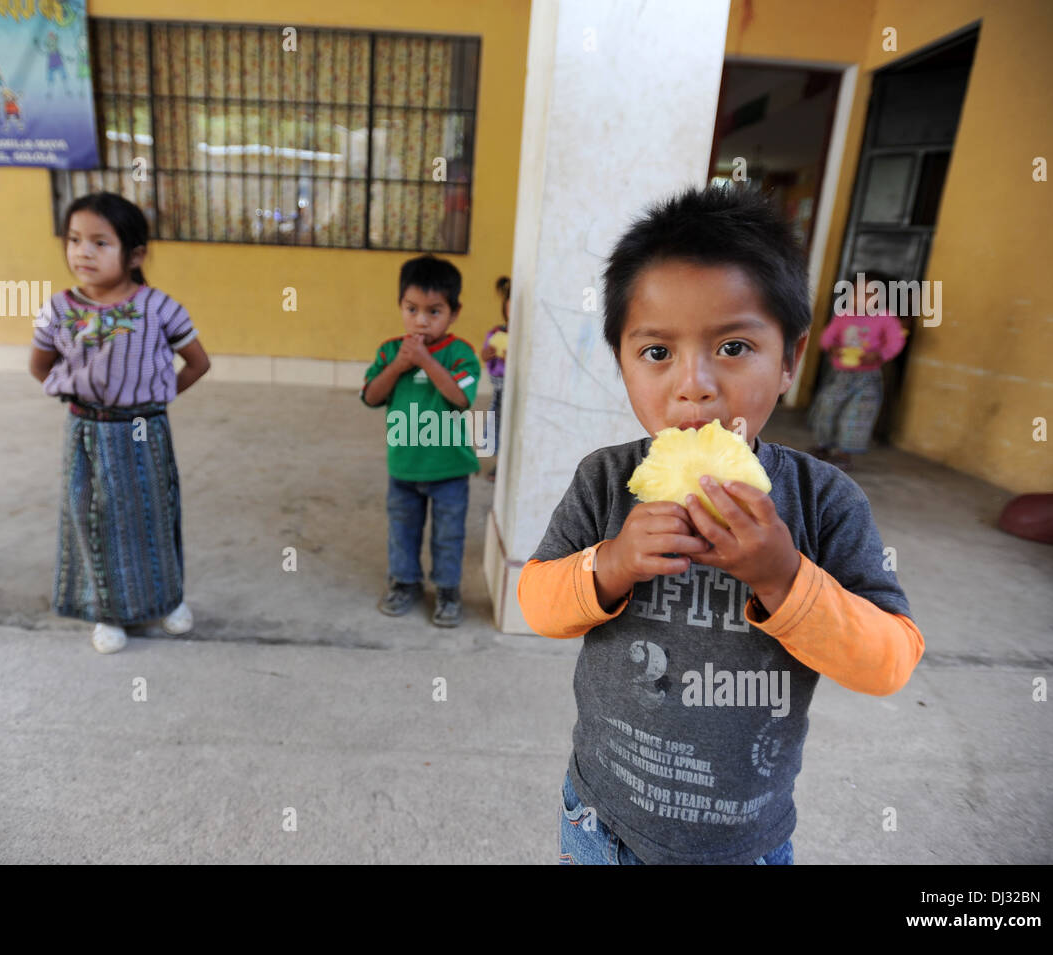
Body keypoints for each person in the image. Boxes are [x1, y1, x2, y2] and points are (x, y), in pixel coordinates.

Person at [517, 185, 925, 865]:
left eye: (733, 345)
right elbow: (537, 602)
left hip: (745, 842)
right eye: (656, 353)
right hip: (602, 819)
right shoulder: (605, 480)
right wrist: (611, 563)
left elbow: (890, 659)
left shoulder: (823, 499)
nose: (694, 384)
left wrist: (784, 576)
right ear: (621, 362)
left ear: (791, 359)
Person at [29, 192, 211, 653]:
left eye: (100, 242)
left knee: (152, 514)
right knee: (91, 516)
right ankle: (106, 613)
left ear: (135, 255)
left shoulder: (159, 307)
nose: (83, 252)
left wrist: (156, 399)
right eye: (74, 240)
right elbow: (41, 366)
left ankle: (169, 601)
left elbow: (196, 363)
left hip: (143, 429)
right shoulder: (58, 309)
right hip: (85, 430)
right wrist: (80, 394)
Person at [361, 255, 481, 627]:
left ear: (454, 312)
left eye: (434, 311)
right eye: (412, 309)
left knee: (448, 534)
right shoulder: (388, 352)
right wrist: (399, 365)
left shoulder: (460, 353)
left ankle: (447, 590)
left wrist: (426, 361)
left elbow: (460, 399)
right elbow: (371, 396)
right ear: (401, 306)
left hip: (449, 469)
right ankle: (404, 582)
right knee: (402, 529)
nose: (421, 320)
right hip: (403, 467)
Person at [807, 270, 908, 470]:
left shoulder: (886, 318)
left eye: (869, 294)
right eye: (857, 293)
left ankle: (844, 453)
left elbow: (896, 342)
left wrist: (879, 354)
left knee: (857, 414)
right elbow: (826, 338)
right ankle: (823, 445)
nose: (861, 298)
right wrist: (833, 348)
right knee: (827, 407)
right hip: (839, 376)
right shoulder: (843, 316)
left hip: (867, 378)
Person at [480, 275, 510, 482]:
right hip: (499, 388)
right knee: (498, 426)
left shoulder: (525, 334)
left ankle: (508, 463)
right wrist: (488, 354)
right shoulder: (497, 332)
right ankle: (500, 463)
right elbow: (484, 355)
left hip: (515, 388)